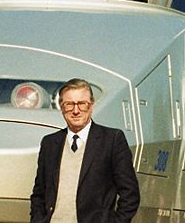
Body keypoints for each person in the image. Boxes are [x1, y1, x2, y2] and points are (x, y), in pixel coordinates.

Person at [30, 78, 140, 223]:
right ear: (62, 107)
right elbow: (39, 193)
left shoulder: (112, 140)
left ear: (91, 105)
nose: (76, 111)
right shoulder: (50, 143)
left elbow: (130, 194)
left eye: (82, 104)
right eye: (69, 104)